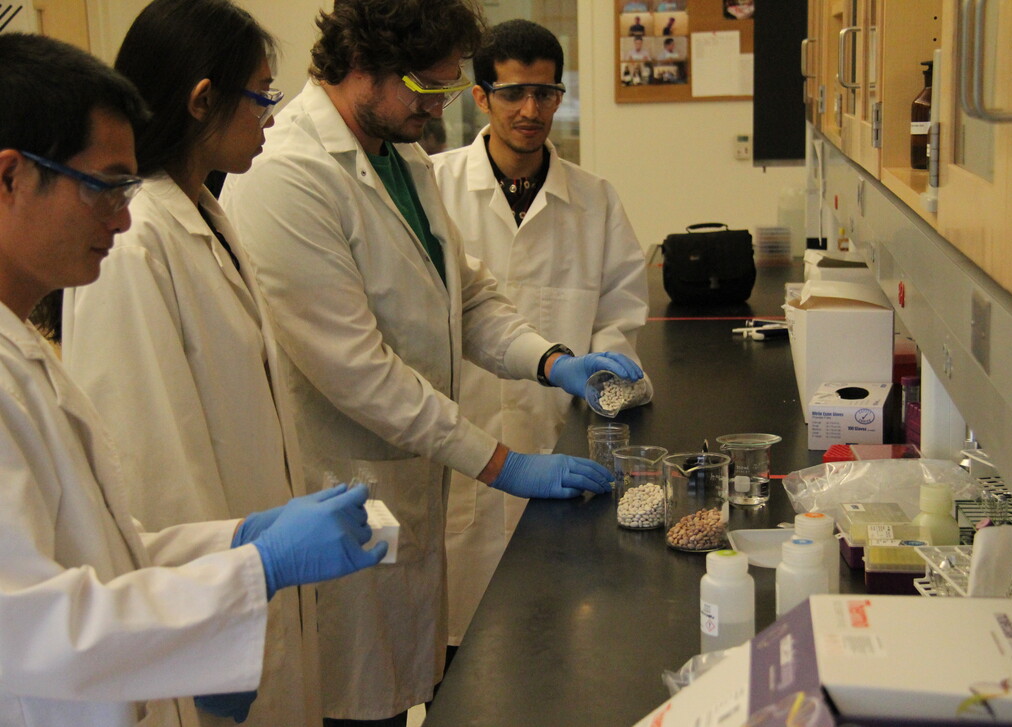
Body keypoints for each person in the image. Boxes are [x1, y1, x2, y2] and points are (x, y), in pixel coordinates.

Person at [220, 1, 642, 724]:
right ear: (363, 67)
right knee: (350, 701)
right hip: (342, 484)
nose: (441, 110)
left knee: (404, 691)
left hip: (406, 485)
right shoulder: (288, 173)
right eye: (429, 90)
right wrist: (504, 463)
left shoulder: (399, 154)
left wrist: (549, 359)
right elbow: (360, 373)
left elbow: (467, 292)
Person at [0, 32, 386, 727]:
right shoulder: (134, 252)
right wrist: (250, 572)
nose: (122, 214)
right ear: (10, 177)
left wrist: (239, 539)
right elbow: (33, 626)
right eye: (106, 187)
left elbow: (104, 546)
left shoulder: (18, 349)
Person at [61, 1, 320, 724]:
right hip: (204, 617)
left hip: (248, 590)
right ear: (203, 98)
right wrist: (212, 620)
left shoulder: (205, 207)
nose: (272, 115)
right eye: (263, 95)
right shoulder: (133, 238)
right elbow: (150, 466)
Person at [432, 18, 650, 655]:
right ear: (481, 97)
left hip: (562, 445)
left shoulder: (595, 200)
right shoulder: (434, 188)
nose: (531, 111)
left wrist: (607, 373)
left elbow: (622, 311)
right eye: (513, 94)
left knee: (557, 641)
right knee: (458, 648)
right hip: (458, 447)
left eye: (546, 94)